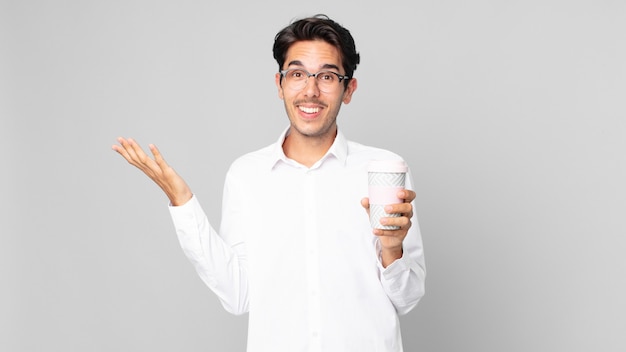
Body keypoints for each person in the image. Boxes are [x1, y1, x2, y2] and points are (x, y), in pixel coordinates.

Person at [112, 14, 425, 352]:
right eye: (297, 74)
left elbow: (407, 298)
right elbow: (237, 295)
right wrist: (182, 201)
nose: (310, 90)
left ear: (348, 89)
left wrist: (393, 250)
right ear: (279, 85)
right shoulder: (246, 176)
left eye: (328, 76)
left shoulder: (383, 171)